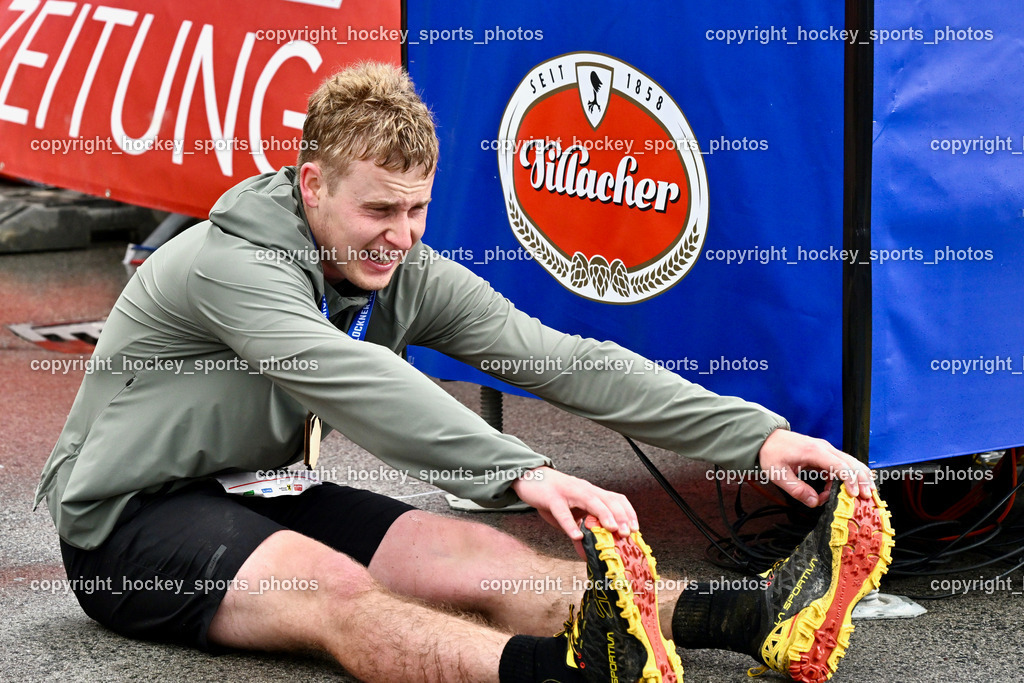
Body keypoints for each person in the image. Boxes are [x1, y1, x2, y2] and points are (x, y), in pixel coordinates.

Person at [35, 62, 892, 683]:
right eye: (377, 209)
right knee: (337, 589)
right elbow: (350, 379)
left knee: (479, 556)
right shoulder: (229, 264)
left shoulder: (402, 263)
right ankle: (565, 674)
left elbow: (559, 359)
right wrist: (523, 468)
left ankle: (747, 617)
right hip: (127, 525)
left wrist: (758, 436)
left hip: (256, 488)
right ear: (310, 186)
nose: (400, 236)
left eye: (417, 208)